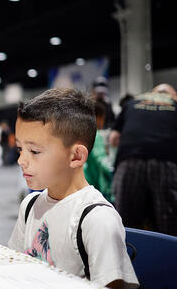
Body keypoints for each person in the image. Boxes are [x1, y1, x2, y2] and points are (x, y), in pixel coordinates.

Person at [8, 88, 138, 288]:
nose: (21, 160)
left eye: (34, 151)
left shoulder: (97, 220)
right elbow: (13, 267)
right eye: (20, 149)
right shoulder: (30, 205)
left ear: (76, 156)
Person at [109, 83, 177, 236]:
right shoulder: (174, 104)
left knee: (127, 224)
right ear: (173, 95)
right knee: (168, 224)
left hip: (129, 160)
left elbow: (113, 138)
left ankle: (129, 257)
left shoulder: (132, 103)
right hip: (165, 160)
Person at [83, 98, 113, 202]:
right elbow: (100, 159)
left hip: (84, 180)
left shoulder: (82, 134)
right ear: (99, 117)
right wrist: (113, 171)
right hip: (93, 183)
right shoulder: (95, 135)